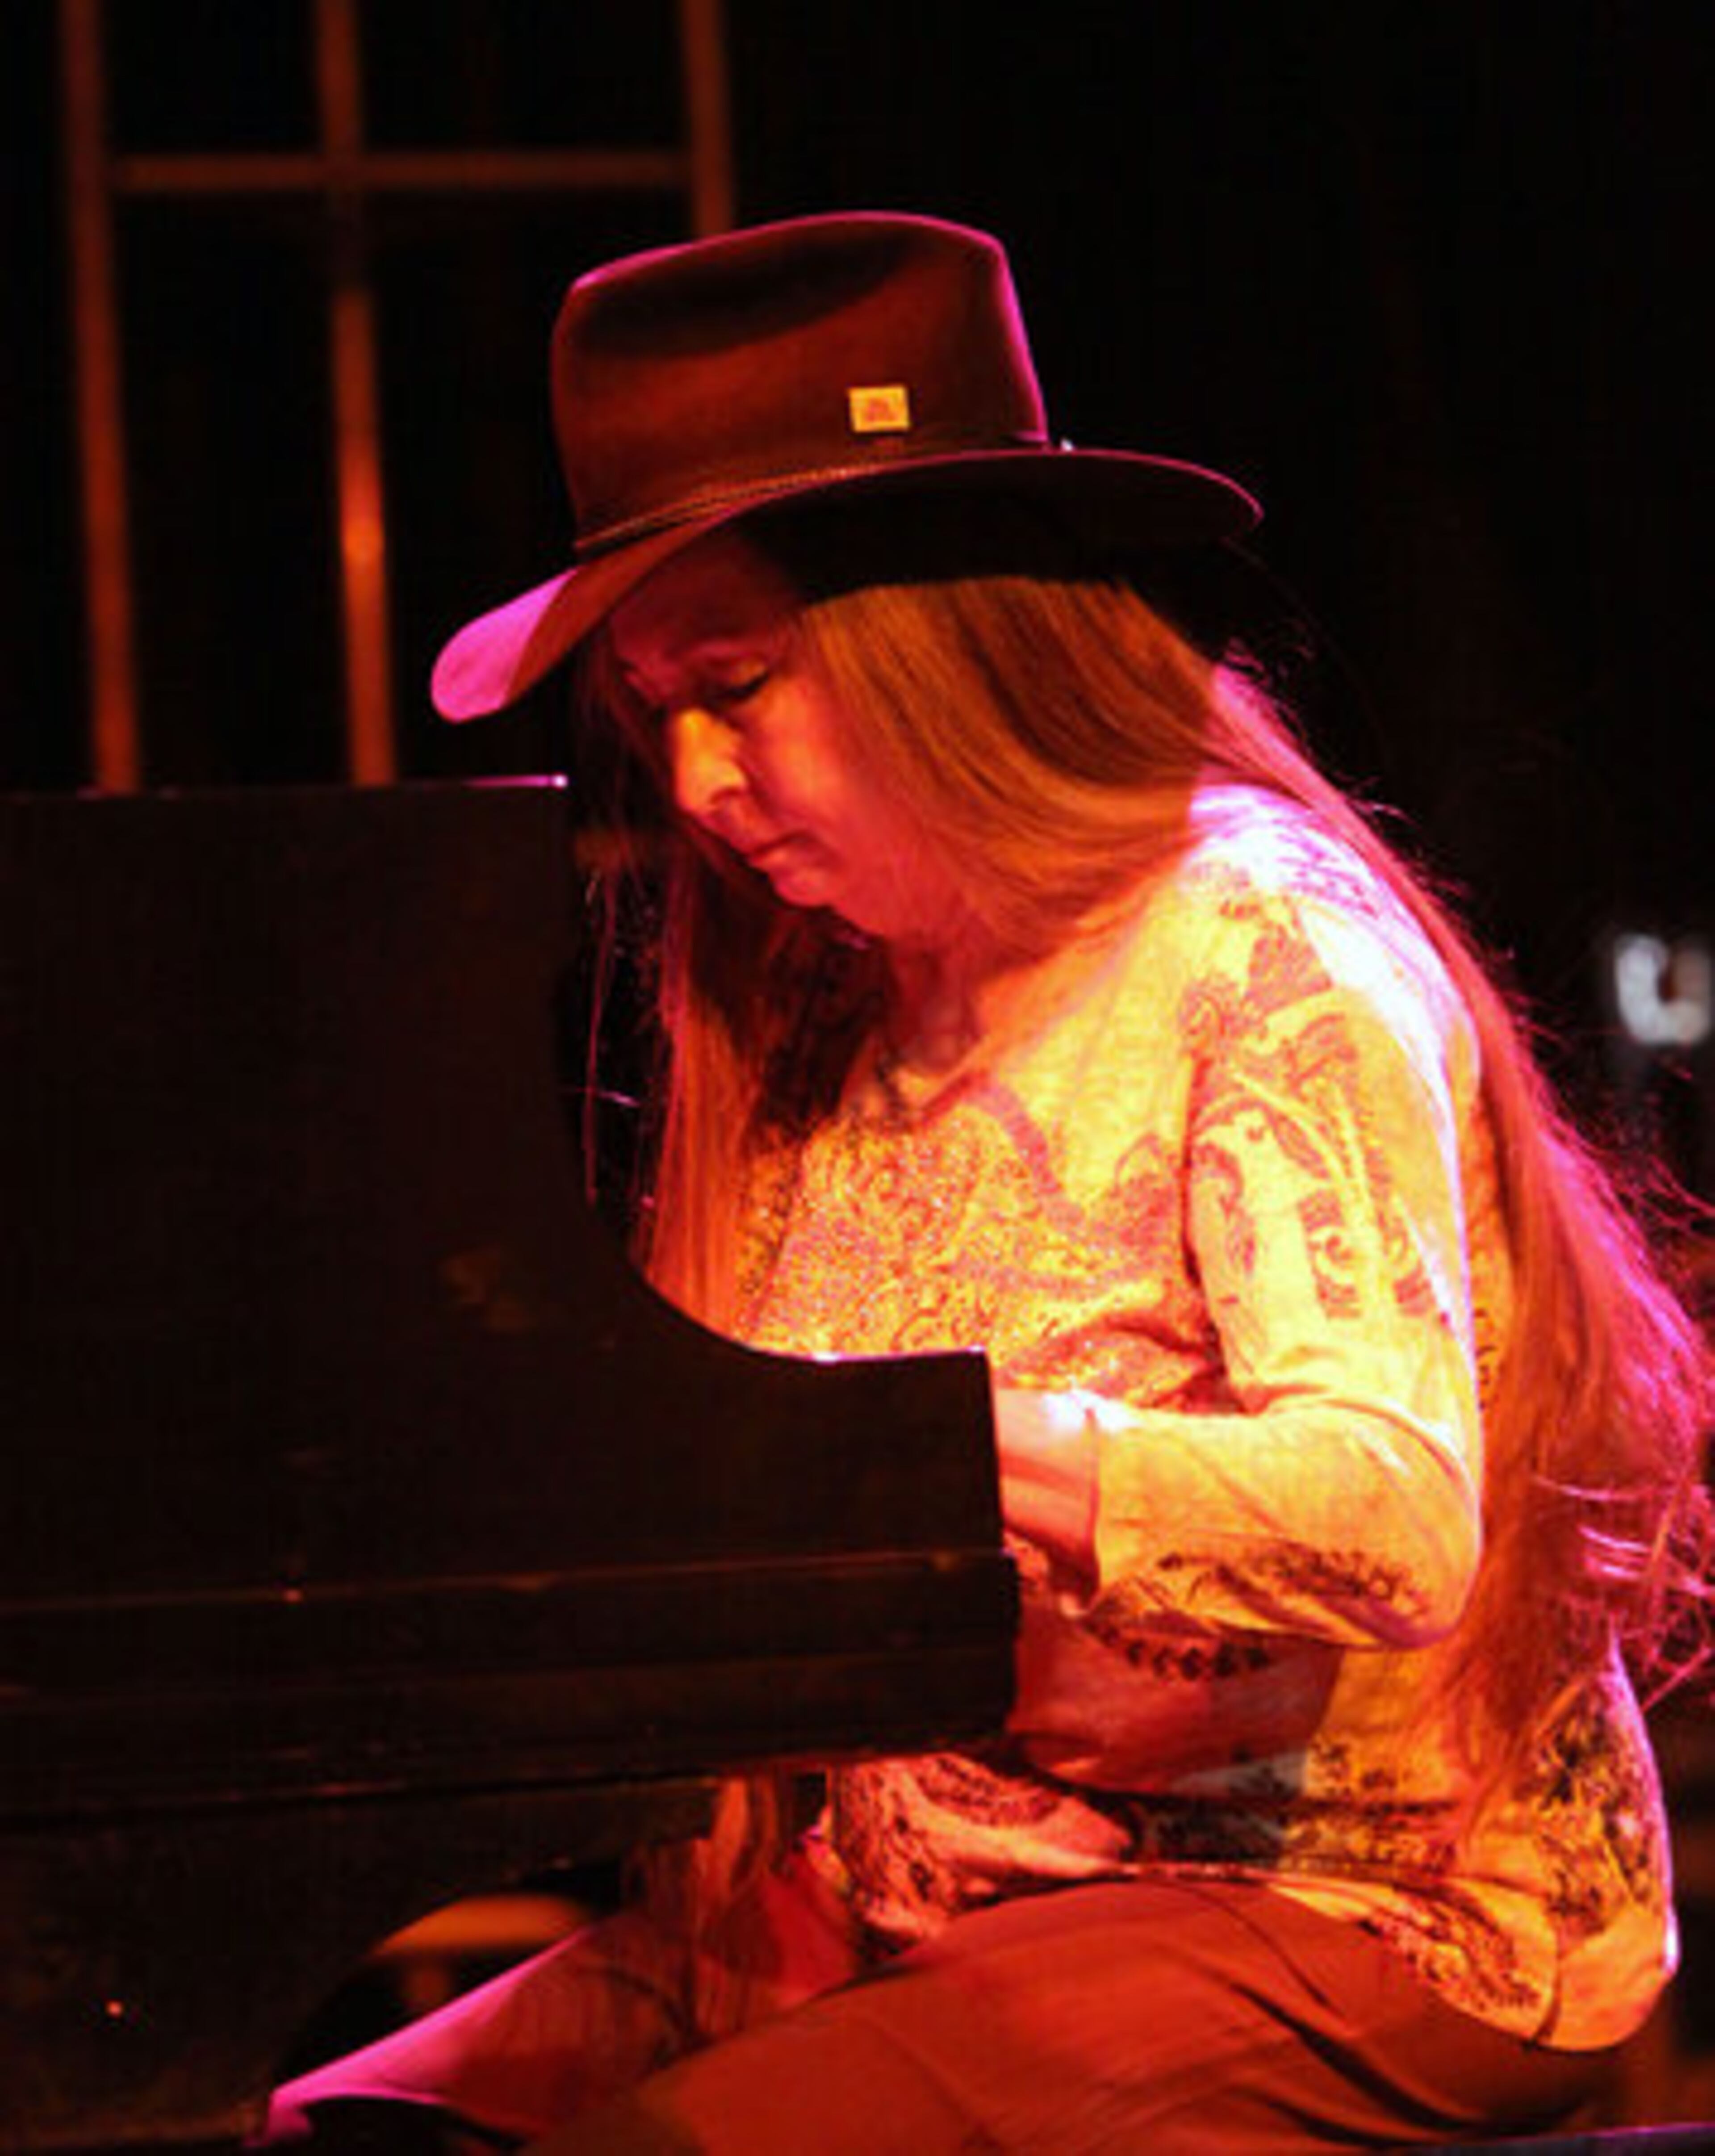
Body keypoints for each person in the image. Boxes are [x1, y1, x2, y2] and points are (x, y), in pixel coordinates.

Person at [263, 213, 1712, 2152]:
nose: (691, 782)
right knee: (337, 2137)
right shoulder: (826, 989)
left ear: (942, 646)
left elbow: (1395, 1510)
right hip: (956, 1886)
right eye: (653, 714)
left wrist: (916, 1450)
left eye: (737, 686)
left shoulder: (1255, 945)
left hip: (1363, 1903)